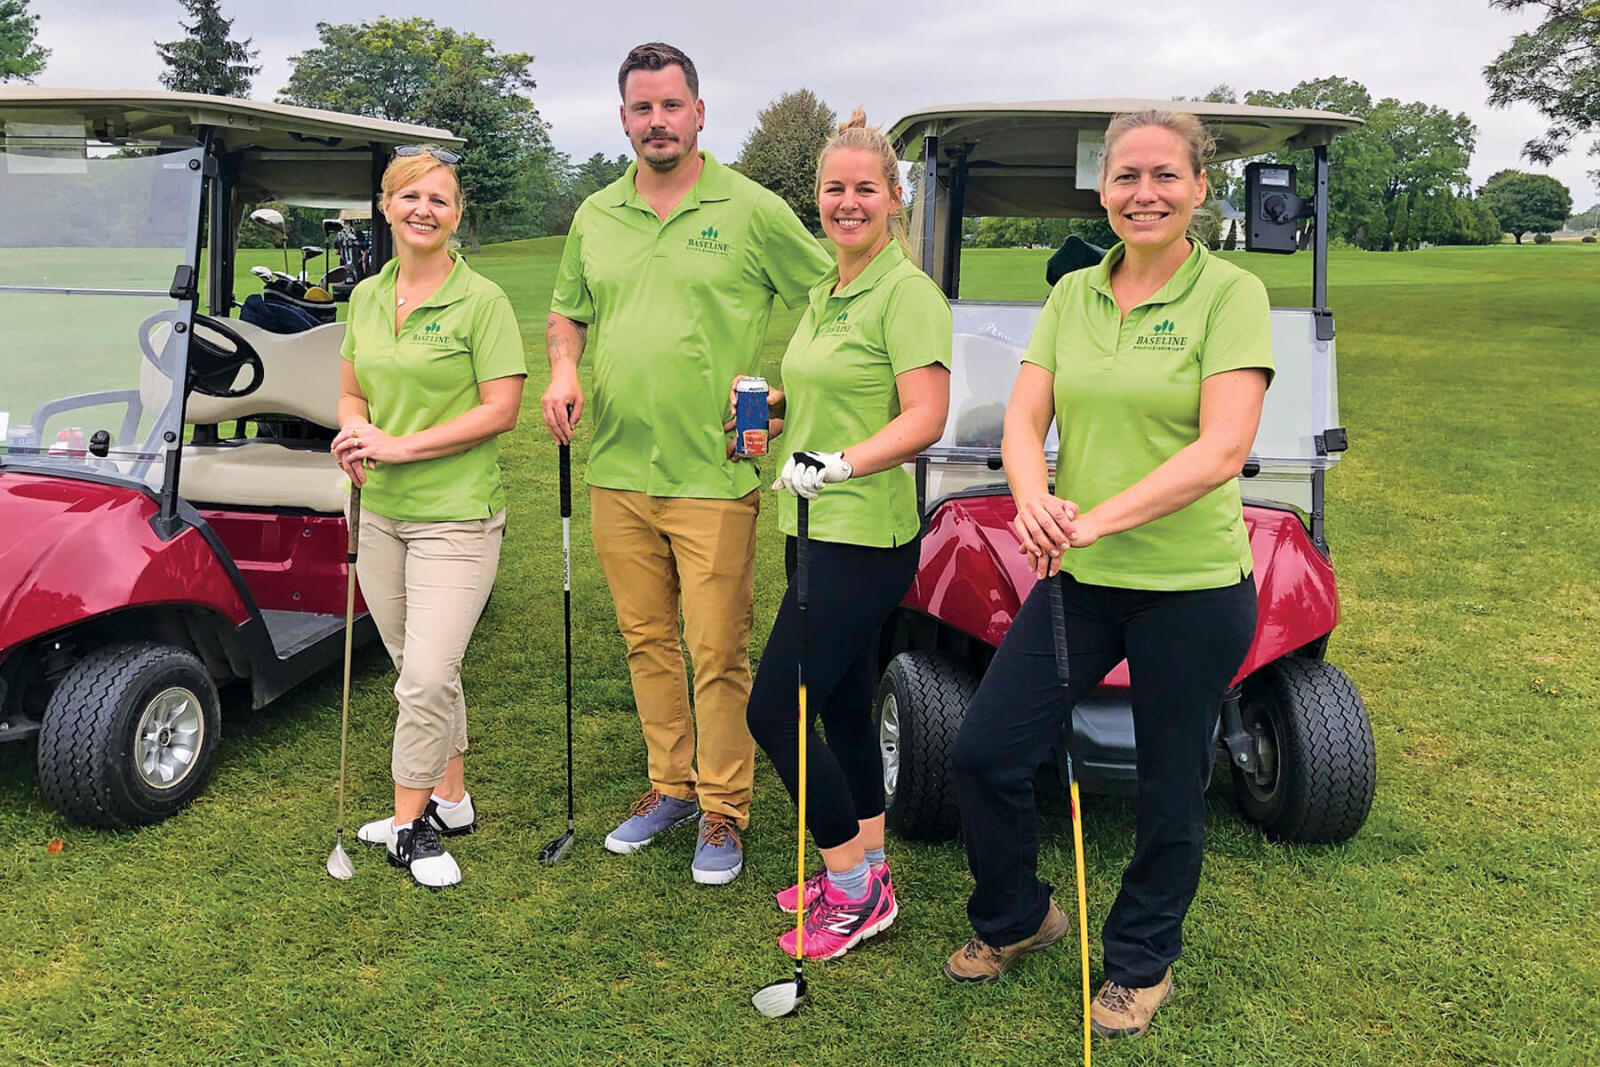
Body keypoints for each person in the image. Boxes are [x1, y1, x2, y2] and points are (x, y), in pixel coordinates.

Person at [944, 109, 1273, 1040]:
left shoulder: (1230, 294)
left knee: (1172, 784)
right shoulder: (1073, 295)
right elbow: (1021, 421)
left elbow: (1222, 449)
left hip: (1194, 589)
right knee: (986, 750)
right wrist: (1032, 495)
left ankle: (1139, 960)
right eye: (1128, 176)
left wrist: (1088, 518)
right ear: (1104, 189)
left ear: (1199, 188)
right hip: (1081, 581)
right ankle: (1020, 917)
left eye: (1166, 175)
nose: (1146, 193)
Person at [543, 43, 831, 885]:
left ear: (699, 112)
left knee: (716, 648)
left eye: (672, 106)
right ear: (624, 118)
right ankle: (668, 786)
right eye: (642, 108)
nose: (657, 121)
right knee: (645, 641)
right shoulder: (596, 213)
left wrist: (784, 395)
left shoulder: (751, 208)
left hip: (715, 473)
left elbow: (834, 300)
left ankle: (723, 808)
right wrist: (563, 367)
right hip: (618, 471)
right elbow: (567, 313)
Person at [742, 110, 950, 958]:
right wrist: (776, 413)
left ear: (895, 199)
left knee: (773, 711)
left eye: (866, 188)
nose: (848, 202)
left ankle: (853, 889)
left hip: (862, 532)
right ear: (816, 198)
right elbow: (837, 389)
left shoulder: (907, 293)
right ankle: (869, 856)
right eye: (834, 188)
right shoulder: (827, 292)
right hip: (811, 520)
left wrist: (843, 463)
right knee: (838, 701)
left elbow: (925, 415)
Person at [331, 145, 527, 889]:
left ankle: (409, 826)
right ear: (386, 207)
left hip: (457, 518)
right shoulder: (368, 297)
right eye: (410, 196)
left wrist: (398, 444)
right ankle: (452, 796)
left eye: (439, 200)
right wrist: (352, 433)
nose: (424, 210)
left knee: (421, 678)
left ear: (456, 215)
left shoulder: (483, 302)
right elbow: (353, 393)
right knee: (424, 668)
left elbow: (500, 409)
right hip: (380, 514)